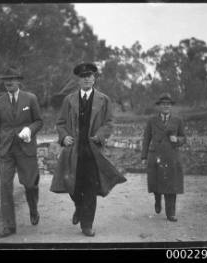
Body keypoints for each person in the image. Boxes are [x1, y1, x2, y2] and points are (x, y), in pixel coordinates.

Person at [50, 62, 126, 237]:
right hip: (73, 150)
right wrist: (64, 137)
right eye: (83, 77)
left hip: (93, 150)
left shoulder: (104, 100)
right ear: (78, 80)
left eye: (89, 76)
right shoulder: (69, 100)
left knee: (91, 187)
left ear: (94, 79)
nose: (86, 79)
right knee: (73, 185)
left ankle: (87, 225)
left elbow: (109, 123)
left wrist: (100, 136)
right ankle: (78, 206)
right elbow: (60, 123)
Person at [0, 68, 43, 237]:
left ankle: (33, 209)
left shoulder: (30, 98)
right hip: (6, 150)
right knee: (5, 187)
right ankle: (9, 226)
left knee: (30, 184)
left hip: (26, 148)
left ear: (18, 81)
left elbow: (39, 121)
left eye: (12, 79)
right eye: (6, 80)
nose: (9, 82)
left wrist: (29, 129)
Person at [141, 93, 186, 222]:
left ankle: (171, 213)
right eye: (163, 104)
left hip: (172, 157)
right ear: (159, 106)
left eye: (168, 104)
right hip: (156, 156)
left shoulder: (178, 120)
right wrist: (144, 156)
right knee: (156, 183)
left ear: (171, 106)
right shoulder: (152, 120)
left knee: (172, 186)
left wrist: (177, 139)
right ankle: (157, 199)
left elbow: (184, 138)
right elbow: (146, 138)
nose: (166, 106)